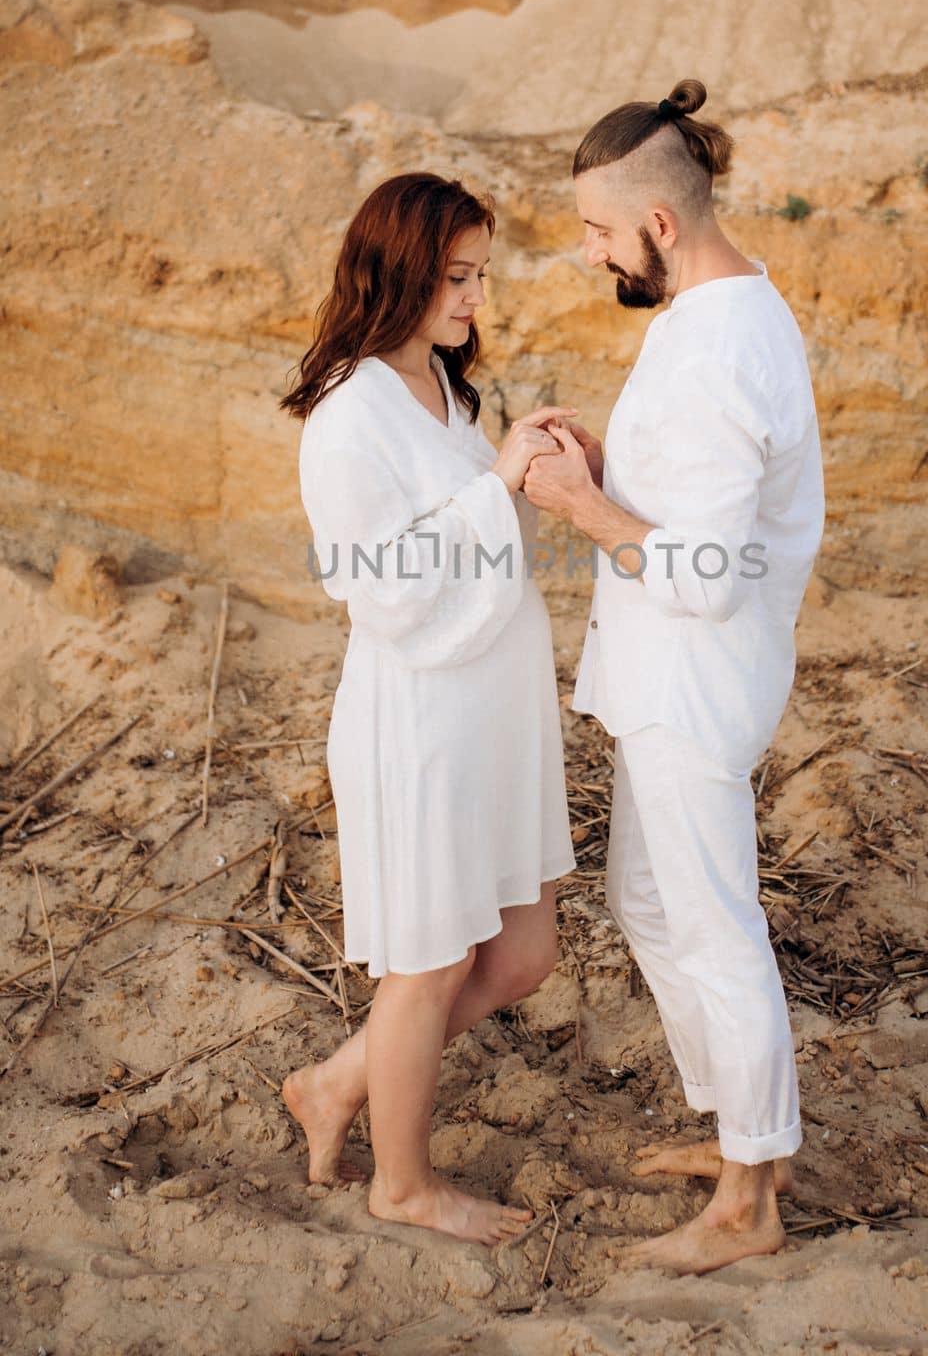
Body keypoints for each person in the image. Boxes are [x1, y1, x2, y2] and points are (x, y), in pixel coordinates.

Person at [521, 78, 826, 1274]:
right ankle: (746, 1133)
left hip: (697, 680)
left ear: (660, 224)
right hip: (673, 677)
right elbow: (704, 507)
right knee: (651, 904)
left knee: (711, 922)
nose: (588, 252)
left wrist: (584, 506)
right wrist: (613, 470)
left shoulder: (714, 348)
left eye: (599, 232)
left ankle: (751, 1201)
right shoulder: (722, 311)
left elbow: (700, 574)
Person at [278, 172, 578, 1246]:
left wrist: (533, 464)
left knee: (524, 952)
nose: (475, 300)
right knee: (431, 962)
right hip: (421, 719)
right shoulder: (347, 413)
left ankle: (337, 1081)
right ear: (399, 272)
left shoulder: (451, 395)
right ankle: (401, 1182)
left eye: (481, 275)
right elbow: (385, 589)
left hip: (494, 712)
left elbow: (476, 530)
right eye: (458, 277)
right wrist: (491, 489)